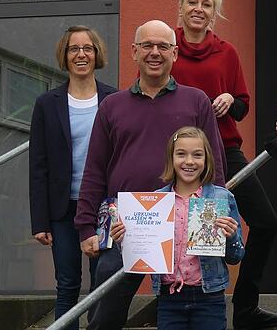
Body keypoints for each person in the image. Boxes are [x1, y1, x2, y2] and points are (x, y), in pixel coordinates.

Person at [74, 19, 226, 330]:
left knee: (187, 310)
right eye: (147, 46)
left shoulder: (196, 100)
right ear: (134, 52)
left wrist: (214, 217)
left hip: (185, 219)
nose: (154, 52)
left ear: (175, 54)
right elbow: (95, 169)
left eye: (162, 47)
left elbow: (214, 164)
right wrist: (86, 226)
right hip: (126, 225)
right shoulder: (112, 106)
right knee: (105, 312)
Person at [170, 0, 277, 329]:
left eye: (207, 4)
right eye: (192, 2)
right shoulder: (167, 48)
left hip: (223, 149)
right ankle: (179, 305)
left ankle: (246, 308)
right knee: (184, 228)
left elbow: (242, 106)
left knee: (266, 222)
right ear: (181, 6)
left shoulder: (227, 52)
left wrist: (229, 100)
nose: (199, 9)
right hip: (182, 156)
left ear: (215, 12)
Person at [110, 126, 244, 330]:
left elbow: (235, 256)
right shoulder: (154, 202)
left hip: (209, 298)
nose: (189, 161)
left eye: (197, 155)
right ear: (171, 159)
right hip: (169, 298)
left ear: (207, 159)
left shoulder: (221, 198)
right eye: (181, 154)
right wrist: (124, 240)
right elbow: (142, 254)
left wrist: (231, 235)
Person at [29, 25, 117, 330]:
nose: (81, 54)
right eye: (73, 49)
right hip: (63, 210)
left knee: (101, 284)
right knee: (67, 284)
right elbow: (38, 165)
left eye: (87, 48)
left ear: (97, 54)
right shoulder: (46, 103)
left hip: (105, 208)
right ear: (65, 57)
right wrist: (39, 221)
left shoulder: (114, 99)